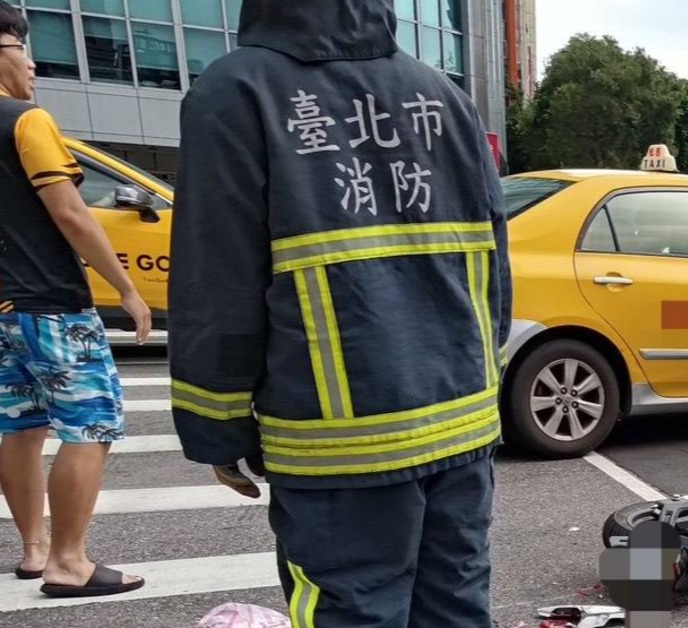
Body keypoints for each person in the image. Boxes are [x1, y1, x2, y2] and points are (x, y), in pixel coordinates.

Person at [167, 1, 510, 626]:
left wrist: (217, 423)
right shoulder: (442, 95)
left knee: (352, 610)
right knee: (456, 607)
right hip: (461, 422)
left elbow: (217, 278)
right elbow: (493, 260)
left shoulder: (237, 90)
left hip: (338, 442)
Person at [0, 1, 149, 597]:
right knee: (91, 423)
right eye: (22, 49)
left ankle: (35, 551)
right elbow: (71, 214)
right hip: (51, 302)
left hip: (3, 311)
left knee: (20, 426)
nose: (33, 65)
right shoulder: (26, 121)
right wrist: (127, 289)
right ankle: (69, 562)